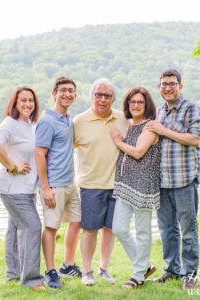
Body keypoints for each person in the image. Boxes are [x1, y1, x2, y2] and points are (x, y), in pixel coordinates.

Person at [146, 69, 200, 290]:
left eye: (172, 83)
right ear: (159, 87)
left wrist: (164, 130)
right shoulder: (160, 111)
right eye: (164, 84)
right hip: (163, 181)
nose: (168, 87)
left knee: (188, 230)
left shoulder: (191, 108)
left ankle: (189, 275)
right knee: (167, 229)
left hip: (185, 178)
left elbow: (194, 139)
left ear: (180, 86)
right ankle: (171, 270)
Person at [73, 78, 129, 285]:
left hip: (118, 185)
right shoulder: (80, 121)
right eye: (98, 95)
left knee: (111, 229)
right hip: (91, 185)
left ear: (114, 98)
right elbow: (63, 149)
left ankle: (103, 269)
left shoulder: (123, 119)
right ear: (92, 97)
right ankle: (86, 272)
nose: (102, 99)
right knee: (89, 230)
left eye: (107, 96)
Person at [0, 86, 45, 291]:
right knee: (32, 227)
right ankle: (31, 280)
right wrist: (12, 165)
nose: (27, 104)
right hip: (13, 188)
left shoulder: (30, 124)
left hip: (25, 188)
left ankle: (13, 274)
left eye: (31, 100)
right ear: (15, 103)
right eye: (23, 100)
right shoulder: (10, 123)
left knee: (15, 229)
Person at [109, 87, 160, 289]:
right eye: (132, 102)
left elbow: (138, 152)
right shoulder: (131, 125)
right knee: (119, 229)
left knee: (142, 231)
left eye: (140, 102)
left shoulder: (150, 127)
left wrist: (117, 141)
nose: (136, 105)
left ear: (146, 104)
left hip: (143, 184)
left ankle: (138, 274)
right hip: (125, 184)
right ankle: (145, 265)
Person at [35, 76, 81, 289]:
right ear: (54, 94)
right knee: (51, 227)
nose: (67, 94)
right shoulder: (46, 121)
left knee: (77, 220)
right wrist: (46, 188)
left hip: (70, 184)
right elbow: (39, 154)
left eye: (70, 90)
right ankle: (50, 271)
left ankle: (67, 264)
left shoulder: (68, 120)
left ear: (75, 95)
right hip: (54, 185)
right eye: (62, 90)